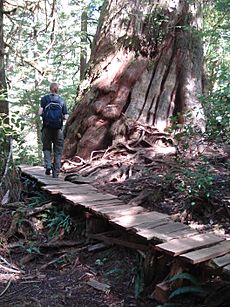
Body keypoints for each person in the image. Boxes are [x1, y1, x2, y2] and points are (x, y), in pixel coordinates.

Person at [39, 82, 68, 178]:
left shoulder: (44, 99)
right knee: (58, 151)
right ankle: (56, 173)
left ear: (50, 89)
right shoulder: (61, 101)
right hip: (58, 129)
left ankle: (48, 165)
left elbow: (40, 112)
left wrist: (45, 116)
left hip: (46, 128)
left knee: (46, 147)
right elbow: (66, 116)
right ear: (57, 89)